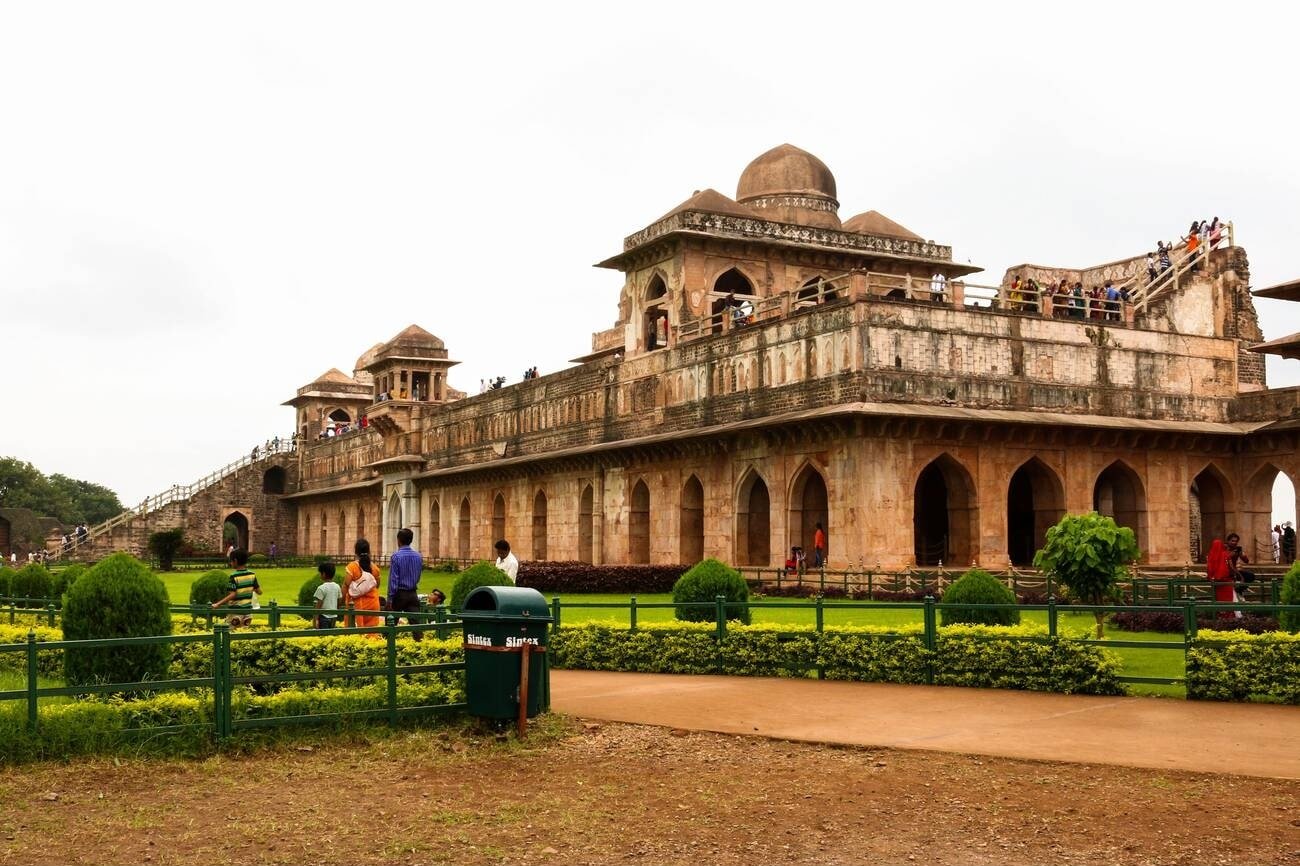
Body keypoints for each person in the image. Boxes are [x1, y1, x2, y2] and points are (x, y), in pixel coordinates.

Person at [211, 548, 260, 628]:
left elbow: (233, 594)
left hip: (235, 611)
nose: (230, 563)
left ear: (235, 561)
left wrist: (218, 604)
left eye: (231, 561)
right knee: (242, 634)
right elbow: (259, 591)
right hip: (247, 611)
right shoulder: (252, 575)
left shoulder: (234, 576)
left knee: (228, 633)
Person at [388, 528, 424, 640]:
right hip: (412, 592)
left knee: (390, 623)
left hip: (399, 593)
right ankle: (421, 648)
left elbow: (393, 579)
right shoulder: (418, 556)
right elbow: (418, 576)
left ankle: (387, 646)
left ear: (398, 540)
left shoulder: (396, 556)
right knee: (416, 626)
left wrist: (390, 598)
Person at [344, 538, 382, 634]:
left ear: (356, 551)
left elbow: (346, 585)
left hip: (356, 605)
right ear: (369, 551)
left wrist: (340, 599)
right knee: (372, 632)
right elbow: (377, 585)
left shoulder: (352, 567)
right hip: (372, 603)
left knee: (354, 632)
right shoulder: (375, 568)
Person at [1205, 538, 1236, 619]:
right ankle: (1228, 616)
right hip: (1226, 580)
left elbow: (1209, 568)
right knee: (1228, 599)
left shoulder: (1210, 555)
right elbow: (1231, 567)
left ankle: (1220, 615)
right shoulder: (1225, 554)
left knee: (1219, 598)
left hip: (1216, 581)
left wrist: (1210, 577)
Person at [313, 562, 342, 629]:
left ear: (323, 574)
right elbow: (340, 600)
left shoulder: (321, 588)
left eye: (320, 573)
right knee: (331, 635)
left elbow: (319, 604)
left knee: (323, 635)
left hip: (324, 616)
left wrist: (316, 619)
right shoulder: (337, 586)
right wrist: (335, 609)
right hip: (334, 616)